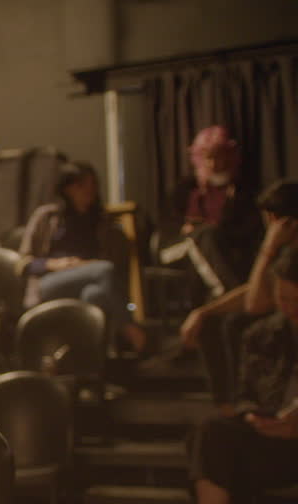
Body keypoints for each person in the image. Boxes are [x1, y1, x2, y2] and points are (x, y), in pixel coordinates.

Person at [166, 244, 298, 504]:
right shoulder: (263, 333)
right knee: (209, 435)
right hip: (271, 437)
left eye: (296, 299)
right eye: (283, 298)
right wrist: (255, 416)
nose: (289, 307)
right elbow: (246, 394)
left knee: (218, 463)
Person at [179, 180, 298, 411]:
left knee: (237, 324)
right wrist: (203, 312)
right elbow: (253, 290)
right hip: (280, 314)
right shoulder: (286, 251)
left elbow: (254, 303)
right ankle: (227, 407)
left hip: (287, 321)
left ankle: (245, 404)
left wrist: (268, 247)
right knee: (210, 321)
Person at [18, 161, 147, 352]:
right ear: (66, 188)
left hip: (89, 278)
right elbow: (22, 263)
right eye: (81, 185)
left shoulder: (102, 221)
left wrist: (86, 265)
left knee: (95, 295)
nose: (89, 189)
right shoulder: (46, 216)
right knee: (104, 269)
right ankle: (130, 329)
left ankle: (90, 358)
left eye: (92, 184)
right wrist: (57, 264)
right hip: (50, 282)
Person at [158, 126, 263, 298]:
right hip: (176, 247)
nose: (213, 164)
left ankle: (223, 296)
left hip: (216, 247)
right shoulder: (186, 188)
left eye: (218, 157)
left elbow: (247, 230)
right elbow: (167, 223)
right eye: (208, 158)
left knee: (209, 236)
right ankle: (230, 295)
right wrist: (184, 229)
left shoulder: (241, 192)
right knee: (204, 236)